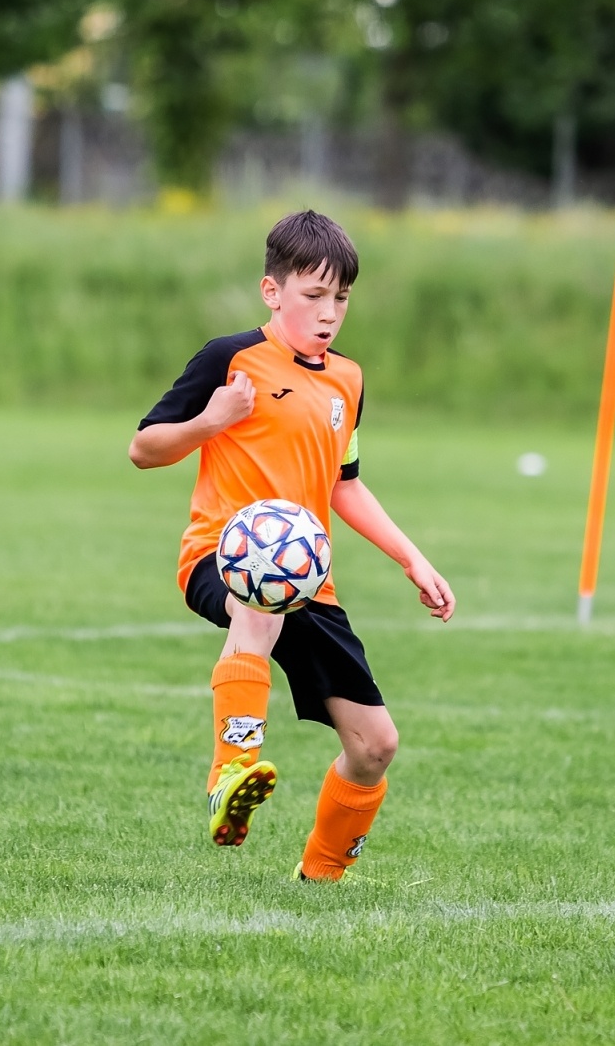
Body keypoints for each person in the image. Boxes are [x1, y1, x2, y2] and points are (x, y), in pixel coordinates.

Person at [128, 210, 455, 880]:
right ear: (272, 291)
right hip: (221, 555)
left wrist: (412, 557)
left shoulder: (348, 380)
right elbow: (143, 448)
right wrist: (210, 419)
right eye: (314, 295)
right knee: (262, 597)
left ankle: (322, 878)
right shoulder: (230, 358)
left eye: (341, 297)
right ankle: (231, 771)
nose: (329, 311)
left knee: (375, 744)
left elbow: (345, 485)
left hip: (309, 579)